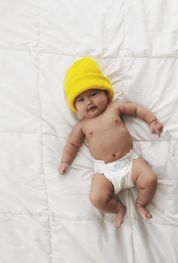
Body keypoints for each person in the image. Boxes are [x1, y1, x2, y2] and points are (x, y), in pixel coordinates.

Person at [58, 57, 163, 228]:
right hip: (105, 172)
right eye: (81, 99)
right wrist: (65, 162)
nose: (89, 102)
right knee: (96, 198)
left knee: (150, 179)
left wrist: (152, 121)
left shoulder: (114, 108)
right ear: (75, 107)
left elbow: (136, 110)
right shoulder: (82, 125)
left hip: (130, 161)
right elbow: (72, 145)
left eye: (93, 94)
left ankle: (140, 203)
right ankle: (118, 208)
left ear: (105, 93)